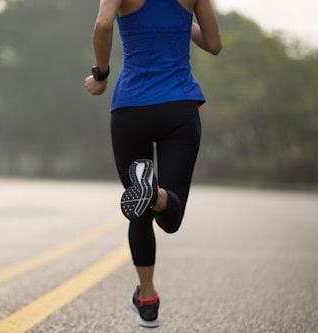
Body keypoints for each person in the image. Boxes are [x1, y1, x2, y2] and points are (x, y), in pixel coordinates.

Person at [85, 0, 221, 328]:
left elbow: (103, 25)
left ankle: (147, 300)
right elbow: (214, 45)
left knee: (139, 209)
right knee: (169, 215)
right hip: (180, 108)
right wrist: (177, 23)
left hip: (132, 108)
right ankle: (157, 193)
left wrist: (100, 74)